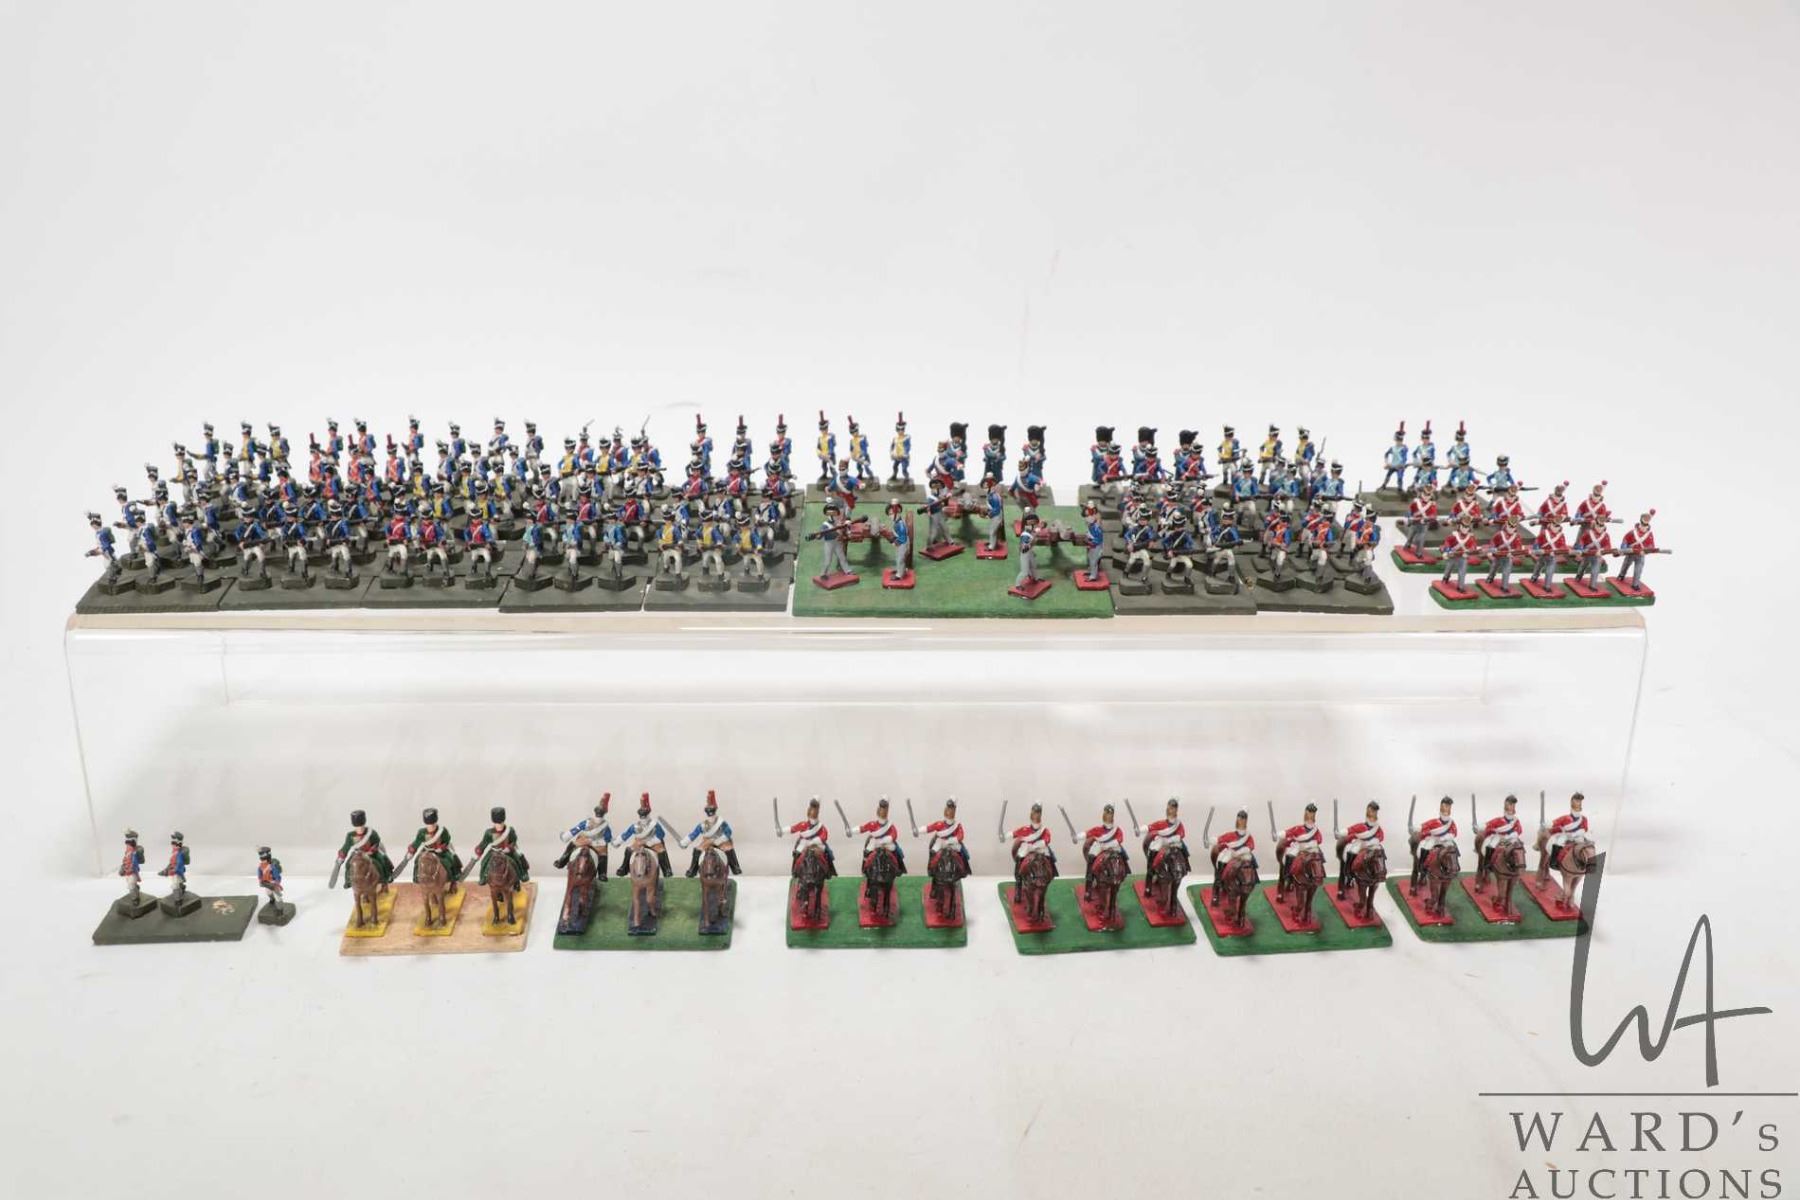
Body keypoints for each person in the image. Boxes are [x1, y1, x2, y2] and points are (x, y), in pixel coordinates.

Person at [680, 790, 742, 876]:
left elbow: (728, 832)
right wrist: (685, 842)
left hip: (721, 841)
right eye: (709, 813)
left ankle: (735, 867)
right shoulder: (703, 824)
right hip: (707, 842)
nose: (711, 815)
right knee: (697, 850)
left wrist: (719, 840)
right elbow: (694, 834)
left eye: (712, 812)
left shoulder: (721, 823)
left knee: (729, 849)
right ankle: (693, 869)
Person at [614, 795, 674, 878]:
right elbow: (626, 834)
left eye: (645, 816)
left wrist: (650, 841)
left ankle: (666, 870)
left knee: (662, 852)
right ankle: (624, 868)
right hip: (639, 843)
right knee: (628, 850)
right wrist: (617, 842)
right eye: (642, 817)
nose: (643, 819)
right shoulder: (635, 826)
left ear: (648, 815)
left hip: (653, 842)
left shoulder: (654, 825)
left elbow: (661, 836)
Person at [470, 806, 530, 884]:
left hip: (507, 852)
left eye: (501, 823)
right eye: (497, 824)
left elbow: (514, 841)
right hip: (494, 852)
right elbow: (484, 843)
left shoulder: (510, 830)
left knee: (517, 861)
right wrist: (479, 850)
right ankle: (483, 878)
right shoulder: (489, 833)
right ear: (494, 823)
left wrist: (509, 848)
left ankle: (522, 875)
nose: (499, 825)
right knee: (484, 862)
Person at [335, 810, 395, 888]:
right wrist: (341, 856)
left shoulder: (371, 833)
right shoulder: (350, 836)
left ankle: (385, 877)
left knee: (381, 860)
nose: (360, 829)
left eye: (361, 826)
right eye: (358, 827)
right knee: (348, 864)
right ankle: (348, 881)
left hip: (371, 854)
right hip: (357, 855)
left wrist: (372, 850)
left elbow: (377, 843)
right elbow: (345, 847)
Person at [1081, 803, 1130, 897]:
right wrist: (1078, 836)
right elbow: (1087, 833)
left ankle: (1125, 870)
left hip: (1113, 846)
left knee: (1123, 855)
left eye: (1110, 814)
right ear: (1104, 815)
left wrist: (1111, 844)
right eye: (1107, 814)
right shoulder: (1098, 829)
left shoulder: (1117, 829)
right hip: (1100, 846)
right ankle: (1089, 882)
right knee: (1091, 857)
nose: (1109, 816)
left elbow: (1120, 838)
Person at [1411, 797, 1459, 891]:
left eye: (1448, 806)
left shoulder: (1451, 823)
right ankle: (1423, 868)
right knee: (1425, 848)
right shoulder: (1433, 822)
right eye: (1445, 806)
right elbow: (1424, 826)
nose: (1446, 809)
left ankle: (1454, 866)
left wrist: (1446, 837)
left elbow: (1454, 832)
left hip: (1445, 840)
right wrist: (1416, 828)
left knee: (1453, 849)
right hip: (1434, 839)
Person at [407, 807, 463, 886]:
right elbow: (416, 842)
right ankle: (416, 878)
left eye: (432, 824)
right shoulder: (422, 832)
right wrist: (411, 851)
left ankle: (453, 879)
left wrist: (442, 848)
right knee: (417, 861)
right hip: (427, 851)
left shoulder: (442, 831)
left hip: (440, 852)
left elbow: (447, 841)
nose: (431, 826)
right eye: (429, 825)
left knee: (449, 861)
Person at [918, 799, 971, 877]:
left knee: (962, 853)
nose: (949, 812)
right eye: (948, 809)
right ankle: (932, 869)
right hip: (941, 842)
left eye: (951, 810)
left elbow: (960, 836)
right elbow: (929, 828)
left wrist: (951, 840)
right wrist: (918, 830)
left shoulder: (957, 825)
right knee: (933, 852)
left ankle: (963, 870)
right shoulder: (939, 824)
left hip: (953, 843)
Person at [854, 797, 907, 874]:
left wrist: (887, 839)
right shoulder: (872, 824)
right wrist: (852, 831)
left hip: (887, 843)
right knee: (866, 852)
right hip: (875, 843)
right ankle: (864, 868)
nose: (882, 813)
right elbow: (862, 829)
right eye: (881, 810)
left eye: (884, 810)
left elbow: (894, 834)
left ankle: (897, 868)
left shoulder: (890, 825)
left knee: (895, 850)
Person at [788, 797, 836, 876]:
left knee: (828, 854)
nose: (813, 815)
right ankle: (796, 871)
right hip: (804, 843)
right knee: (797, 853)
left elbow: (824, 836)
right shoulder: (803, 825)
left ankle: (828, 871)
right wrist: (782, 831)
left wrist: (814, 841)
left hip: (817, 843)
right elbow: (793, 829)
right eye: (811, 813)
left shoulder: (821, 827)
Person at [1010, 803, 1058, 881]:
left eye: (1038, 813)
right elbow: (1015, 833)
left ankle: (1052, 873)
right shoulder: (1026, 829)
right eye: (1035, 812)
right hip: (1028, 848)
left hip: (1040, 848)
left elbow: (1047, 839)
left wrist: (1038, 845)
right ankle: (1018, 878)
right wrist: (1005, 836)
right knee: (1020, 857)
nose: (1036, 815)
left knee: (1050, 856)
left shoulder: (1044, 830)